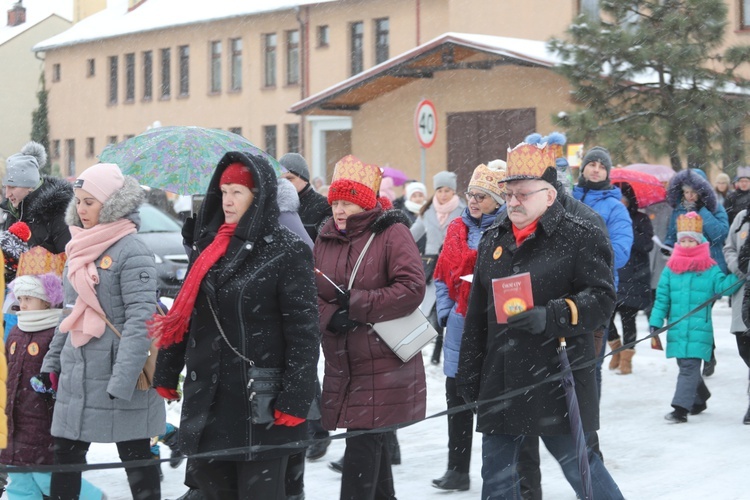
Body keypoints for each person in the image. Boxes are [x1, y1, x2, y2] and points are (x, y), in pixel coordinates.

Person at [456, 140, 623, 500]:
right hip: (500, 379)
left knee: (580, 468)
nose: (513, 202)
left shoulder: (581, 233)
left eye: (522, 194)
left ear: (549, 195)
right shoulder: (493, 239)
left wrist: (553, 315)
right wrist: (469, 377)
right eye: (509, 193)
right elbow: (477, 318)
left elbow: (602, 299)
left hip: (556, 376)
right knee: (498, 479)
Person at [151, 152, 320, 500]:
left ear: (258, 197)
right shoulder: (209, 248)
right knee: (213, 492)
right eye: (224, 190)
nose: (227, 200)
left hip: (260, 405)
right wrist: (167, 370)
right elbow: (189, 314)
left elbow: (303, 331)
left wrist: (295, 398)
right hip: (210, 403)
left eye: (237, 192)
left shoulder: (287, 250)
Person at [39, 162, 166, 499]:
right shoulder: (77, 249)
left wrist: (123, 379)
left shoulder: (132, 251)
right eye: (78, 201)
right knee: (65, 456)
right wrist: (52, 363)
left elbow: (141, 323)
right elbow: (69, 313)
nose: (81, 209)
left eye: (89, 202)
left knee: (137, 456)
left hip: (119, 373)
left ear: (111, 204)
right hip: (78, 370)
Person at [314, 155, 426, 500]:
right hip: (343, 360)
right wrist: (330, 316)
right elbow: (310, 293)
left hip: (384, 359)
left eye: (347, 202)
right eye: (335, 202)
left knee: (362, 443)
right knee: (369, 442)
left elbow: (411, 289)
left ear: (363, 202)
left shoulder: (392, 233)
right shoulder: (325, 238)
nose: (339, 209)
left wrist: (358, 304)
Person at [431, 162, 505, 492]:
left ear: (497, 200)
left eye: (482, 196)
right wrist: (447, 313)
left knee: (492, 403)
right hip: (460, 327)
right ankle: (457, 469)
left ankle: (500, 474)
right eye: (471, 195)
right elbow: (442, 276)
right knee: (456, 400)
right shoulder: (456, 230)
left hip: (492, 327)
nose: (473, 201)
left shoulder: (505, 230)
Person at [1, 273, 103, 499]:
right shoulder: (16, 331)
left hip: (43, 419)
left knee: (45, 476)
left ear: (46, 301)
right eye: (20, 298)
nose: (23, 304)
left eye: (29, 298)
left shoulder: (55, 332)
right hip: (14, 417)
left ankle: (93, 497)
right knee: (18, 479)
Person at [650, 212, 740, 423]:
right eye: (684, 241)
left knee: (689, 367)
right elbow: (662, 297)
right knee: (685, 366)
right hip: (677, 328)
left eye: (692, 240)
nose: (688, 244)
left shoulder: (709, 266)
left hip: (699, 329)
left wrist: (740, 275)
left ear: (699, 242)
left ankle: (680, 409)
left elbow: (722, 288)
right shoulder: (671, 268)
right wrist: (655, 321)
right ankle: (700, 399)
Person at [664, 168, 729, 376]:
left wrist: (701, 212)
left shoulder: (714, 208)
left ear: (703, 192)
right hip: (682, 269)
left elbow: (720, 234)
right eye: (686, 192)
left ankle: (708, 354)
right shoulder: (678, 209)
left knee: (701, 315)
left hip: (707, 269)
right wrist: (666, 247)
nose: (689, 196)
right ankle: (690, 359)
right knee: (686, 313)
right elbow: (671, 234)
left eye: (694, 192)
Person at [410, 171, 465, 364]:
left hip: (455, 267)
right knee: (432, 309)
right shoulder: (428, 211)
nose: (443, 194)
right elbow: (413, 233)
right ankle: (434, 350)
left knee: (451, 309)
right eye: (440, 190)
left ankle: (445, 350)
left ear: (453, 191)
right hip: (432, 267)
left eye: (447, 190)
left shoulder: (463, 210)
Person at [607, 182, 654, 374]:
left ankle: (627, 359)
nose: (620, 201)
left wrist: (627, 230)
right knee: (606, 318)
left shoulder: (641, 219)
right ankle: (616, 349)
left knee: (628, 319)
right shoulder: (608, 217)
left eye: (623, 197)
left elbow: (647, 245)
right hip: (612, 274)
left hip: (634, 276)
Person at [0, 142, 73, 255]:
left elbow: (69, 257)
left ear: (30, 186)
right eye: (5, 187)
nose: (7, 194)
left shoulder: (57, 210)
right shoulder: (14, 209)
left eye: (13, 187)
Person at [726, 208, 750, 424]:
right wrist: (738, 266)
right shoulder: (742, 217)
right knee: (745, 348)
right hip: (743, 290)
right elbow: (730, 247)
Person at [279, 152, 331, 242]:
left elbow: (326, 247)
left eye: (289, 179)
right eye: (280, 179)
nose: (285, 183)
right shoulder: (275, 206)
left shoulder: (323, 206)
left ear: (305, 179)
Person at [399, 181, 427, 253]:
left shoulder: (430, 211)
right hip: (411, 251)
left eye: (420, 195)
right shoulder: (404, 214)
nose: (417, 198)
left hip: (428, 252)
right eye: (414, 196)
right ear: (409, 197)